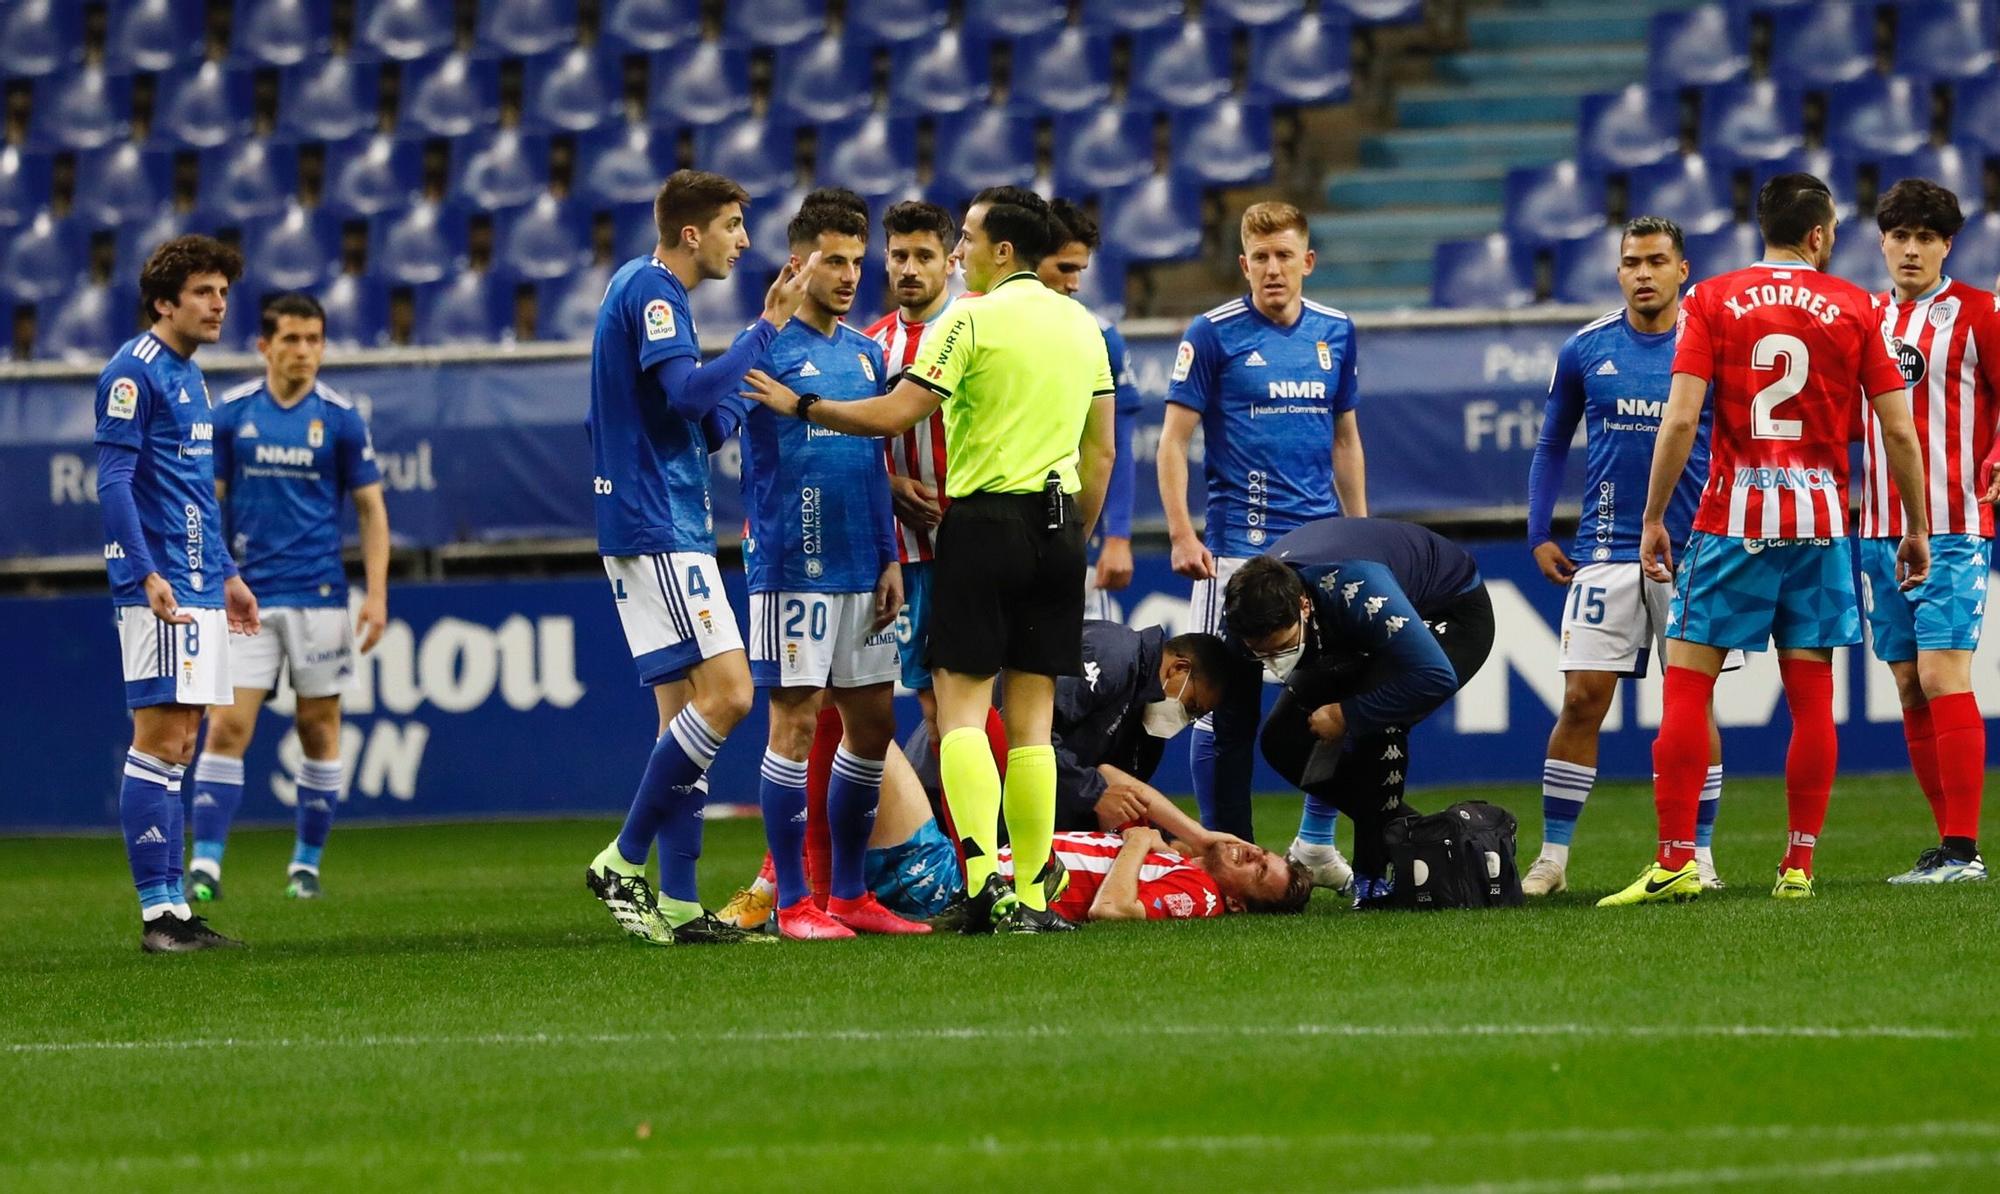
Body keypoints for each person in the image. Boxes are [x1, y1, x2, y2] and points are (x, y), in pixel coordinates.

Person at [742, 185, 1117, 933]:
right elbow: (1100, 449)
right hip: (1059, 526)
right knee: (1035, 726)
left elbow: (897, 413)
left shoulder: (969, 319)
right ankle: (1036, 897)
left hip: (980, 523)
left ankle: (984, 881)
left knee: (963, 715)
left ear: (1001, 250)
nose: (957, 256)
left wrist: (804, 407)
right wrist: (1069, 533)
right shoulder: (1086, 326)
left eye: (967, 240)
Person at [1601, 172, 1932, 906]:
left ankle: (1675, 859)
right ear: (1819, 235)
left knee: (1687, 684)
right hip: (1818, 521)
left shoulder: (1713, 299)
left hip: (1733, 518)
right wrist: (1913, 525)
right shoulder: (1856, 305)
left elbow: (1682, 421)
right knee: (1812, 696)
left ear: (1764, 228)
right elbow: (1899, 430)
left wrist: (1655, 517)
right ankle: (1798, 866)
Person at [581, 169, 812, 946]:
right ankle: (624, 858)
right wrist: (763, 329)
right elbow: (686, 397)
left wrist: (754, 376)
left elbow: (703, 426)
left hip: (653, 517)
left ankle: (677, 901)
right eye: (733, 225)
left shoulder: (648, 293)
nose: (743, 241)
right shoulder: (653, 293)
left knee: (684, 718)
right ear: (692, 233)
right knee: (732, 695)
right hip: (658, 524)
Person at [1521, 217, 1733, 897]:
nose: (1642, 273)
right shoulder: (1586, 348)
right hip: (1605, 550)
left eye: (1656, 261)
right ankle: (1552, 860)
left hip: (1695, 550)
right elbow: (1553, 443)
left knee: (1693, 705)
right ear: (1619, 272)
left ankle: (1697, 855)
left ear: (1683, 269)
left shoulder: (1713, 348)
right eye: (1631, 262)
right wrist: (1537, 530)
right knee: (1581, 701)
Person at [737, 194, 928, 940]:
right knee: (792, 721)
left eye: (857, 260)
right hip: (793, 564)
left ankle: (849, 894)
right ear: (798, 262)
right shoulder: (765, 349)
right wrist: (764, 325)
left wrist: (888, 556)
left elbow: (876, 458)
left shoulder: (865, 353)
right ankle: (791, 904)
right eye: (835, 260)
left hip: (862, 564)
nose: (851, 275)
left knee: (873, 725)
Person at [1158, 200, 1365, 874]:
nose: (1273, 270)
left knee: (1342, 698)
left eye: (1285, 256)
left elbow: (1345, 439)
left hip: (1319, 553)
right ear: (1243, 264)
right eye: (1261, 258)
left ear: (1307, 262)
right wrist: (1184, 534)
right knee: (1221, 712)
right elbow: (1172, 442)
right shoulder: (1213, 333)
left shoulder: (1337, 330)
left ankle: (1317, 837)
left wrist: (1358, 531)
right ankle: (1230, 857)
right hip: (1235, 557)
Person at [186, 292, 390, 903]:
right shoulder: (232, 415)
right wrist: (211, 578)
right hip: (247, 599)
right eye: (292, 339)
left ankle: (305, 864)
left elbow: (372, 510)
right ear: (264, 345)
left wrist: (377, 595)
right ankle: (207, 866)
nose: (304, 351)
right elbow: (205, 503)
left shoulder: (342, 418)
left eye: (314, 340)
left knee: (318, 729)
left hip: (322, 598)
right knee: (226, 728)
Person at [95, 234, 259, 952]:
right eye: (203, 291)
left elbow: (195, 490)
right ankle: (157, 914)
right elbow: (113, 481)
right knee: (158, 739)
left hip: (197, 581)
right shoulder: (133, 373)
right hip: (159, 583)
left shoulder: (194, 378)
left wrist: (225, 574)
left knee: (184, 740)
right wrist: (143, 573)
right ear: (165, 302)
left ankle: (175, 913)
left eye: (223, 290)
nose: (218, 302)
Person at [1222, 517, 1495, 899]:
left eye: (1282, 648)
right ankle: (1426, 836)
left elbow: (1435, 676)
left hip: (1449, 610)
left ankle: (1372, 877)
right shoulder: (1241, 619)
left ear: (1303, 607)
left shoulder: (1358, 590)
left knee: (1376, 725)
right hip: (1345, 633)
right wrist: (1227, 843)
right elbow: (1229, 731)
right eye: (1260, 654)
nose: (1273, 663)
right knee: (1281, 741)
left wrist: (1348, 715)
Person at [1862, 178, 2000, 884]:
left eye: (1925, 238)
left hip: (1952, 523)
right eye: (1900, 236)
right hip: (1876, 530)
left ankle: (1963, 852)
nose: (1911, 250)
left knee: (1945, 676)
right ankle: (1945, 845)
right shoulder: (1863, 319)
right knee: (1910, 684)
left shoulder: (1979, 313)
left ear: (1948, 245)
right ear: (1882, 242)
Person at [859, 750, 1310, 922]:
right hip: (959, 874)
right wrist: (1195, 835)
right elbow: (1109, 775)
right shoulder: (1170, 861)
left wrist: (1138, 839)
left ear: (1235, 903)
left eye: (1255, 870)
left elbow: (1111, 910)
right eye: (1261, 852)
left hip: (947, 886)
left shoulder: (1201, 896)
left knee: (871, 737)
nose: (1250, 852)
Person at [1040, 199, 1139, 621]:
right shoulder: (972, 327)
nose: (1075, 283)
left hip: (1065, 530)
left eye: (1080, 270)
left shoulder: (1100, 337)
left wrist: (1116, 535)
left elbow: (1116, 443)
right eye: (1065, 268)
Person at [1048, 622, 1233, 835]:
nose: (1186, 719)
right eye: (1191, 706)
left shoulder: (1147, 732)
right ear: (1179, 669)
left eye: (1195, 716)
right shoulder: (1112, 657)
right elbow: (1024, 731)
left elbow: (1119, 804)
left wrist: (1172, 841)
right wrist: (1093, 792)